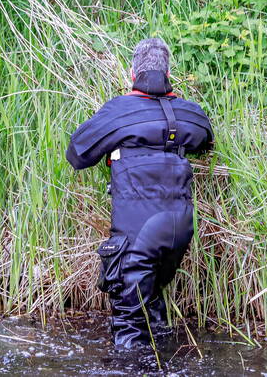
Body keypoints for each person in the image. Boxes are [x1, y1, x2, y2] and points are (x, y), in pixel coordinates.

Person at [66, 38, 214, 349]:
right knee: (153, 310)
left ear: (133, 74)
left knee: (130, 327)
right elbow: (205, 141)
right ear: (168, 72)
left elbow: (77, 154)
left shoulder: (120, 112)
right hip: (180, 229)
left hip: (138, 232)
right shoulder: (191, 114)